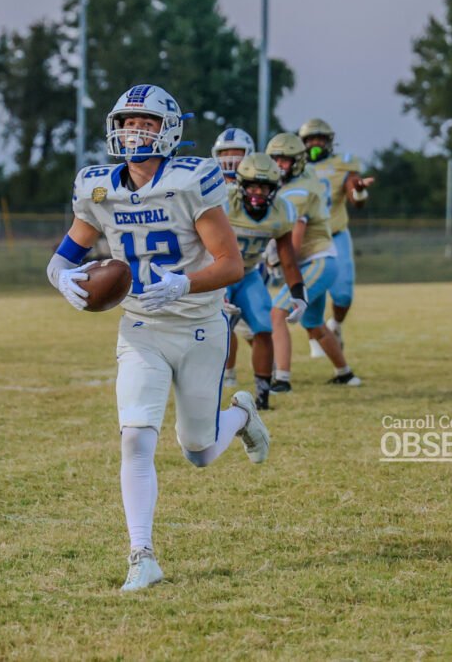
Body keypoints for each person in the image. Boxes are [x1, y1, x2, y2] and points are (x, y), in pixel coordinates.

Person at [46, 84, 271, 592]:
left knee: (197, 449)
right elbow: (63, 256)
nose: (134, 132)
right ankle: (142, 555)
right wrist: (61, 278)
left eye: (145, 123)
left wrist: (184, 282)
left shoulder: (191, 182)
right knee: (135, 438)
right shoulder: (98, 187)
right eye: (127, 122)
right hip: (140, 328)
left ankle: (239, 416)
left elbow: (231, 264)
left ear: (168, 130)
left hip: (197, 325)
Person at [265, 132, 360, 389]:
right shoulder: (303, 177)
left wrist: (278, 261)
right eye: (275, 159)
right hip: (318, 259)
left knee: (277, 312)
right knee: (314, 324)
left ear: (297, 161)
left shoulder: (298, 191)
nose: (278, 166)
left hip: (315, 261)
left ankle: (282, 379)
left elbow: (295, 241)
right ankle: (346, 374)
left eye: (284, 160)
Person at [223, 152, 305, 409]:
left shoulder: (281, 211)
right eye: (252, 186)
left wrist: (299, 295)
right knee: (214, 330)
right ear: (240, 185)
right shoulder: (223, 203)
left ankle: (262, 396)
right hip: (217, 272)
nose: (258, 192)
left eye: (264, 187)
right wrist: (215, 291)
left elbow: (287, 258)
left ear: (275, 188)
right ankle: (208, 389)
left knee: (263, 328)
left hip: (247, 274)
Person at [298, 118, 374, 355]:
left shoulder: (342, 164)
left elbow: (354, 196)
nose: (316, 143)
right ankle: (316, 334)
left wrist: (359, 190)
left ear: (330, 142)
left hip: (336, 235)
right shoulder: (295, 168)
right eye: (311, 139)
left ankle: (335, 325)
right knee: (310, 291)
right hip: (308, 239)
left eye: (320, 139)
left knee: (343, 294)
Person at [210, 127, 256, 387]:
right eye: (224, 152)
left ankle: (267, 364)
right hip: (219, 261)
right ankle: (228, 372)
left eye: (235, 151)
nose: (229, 157)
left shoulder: (258, 184)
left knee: (253, 322)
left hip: (249, 264)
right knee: (223, 320)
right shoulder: (210, 183)